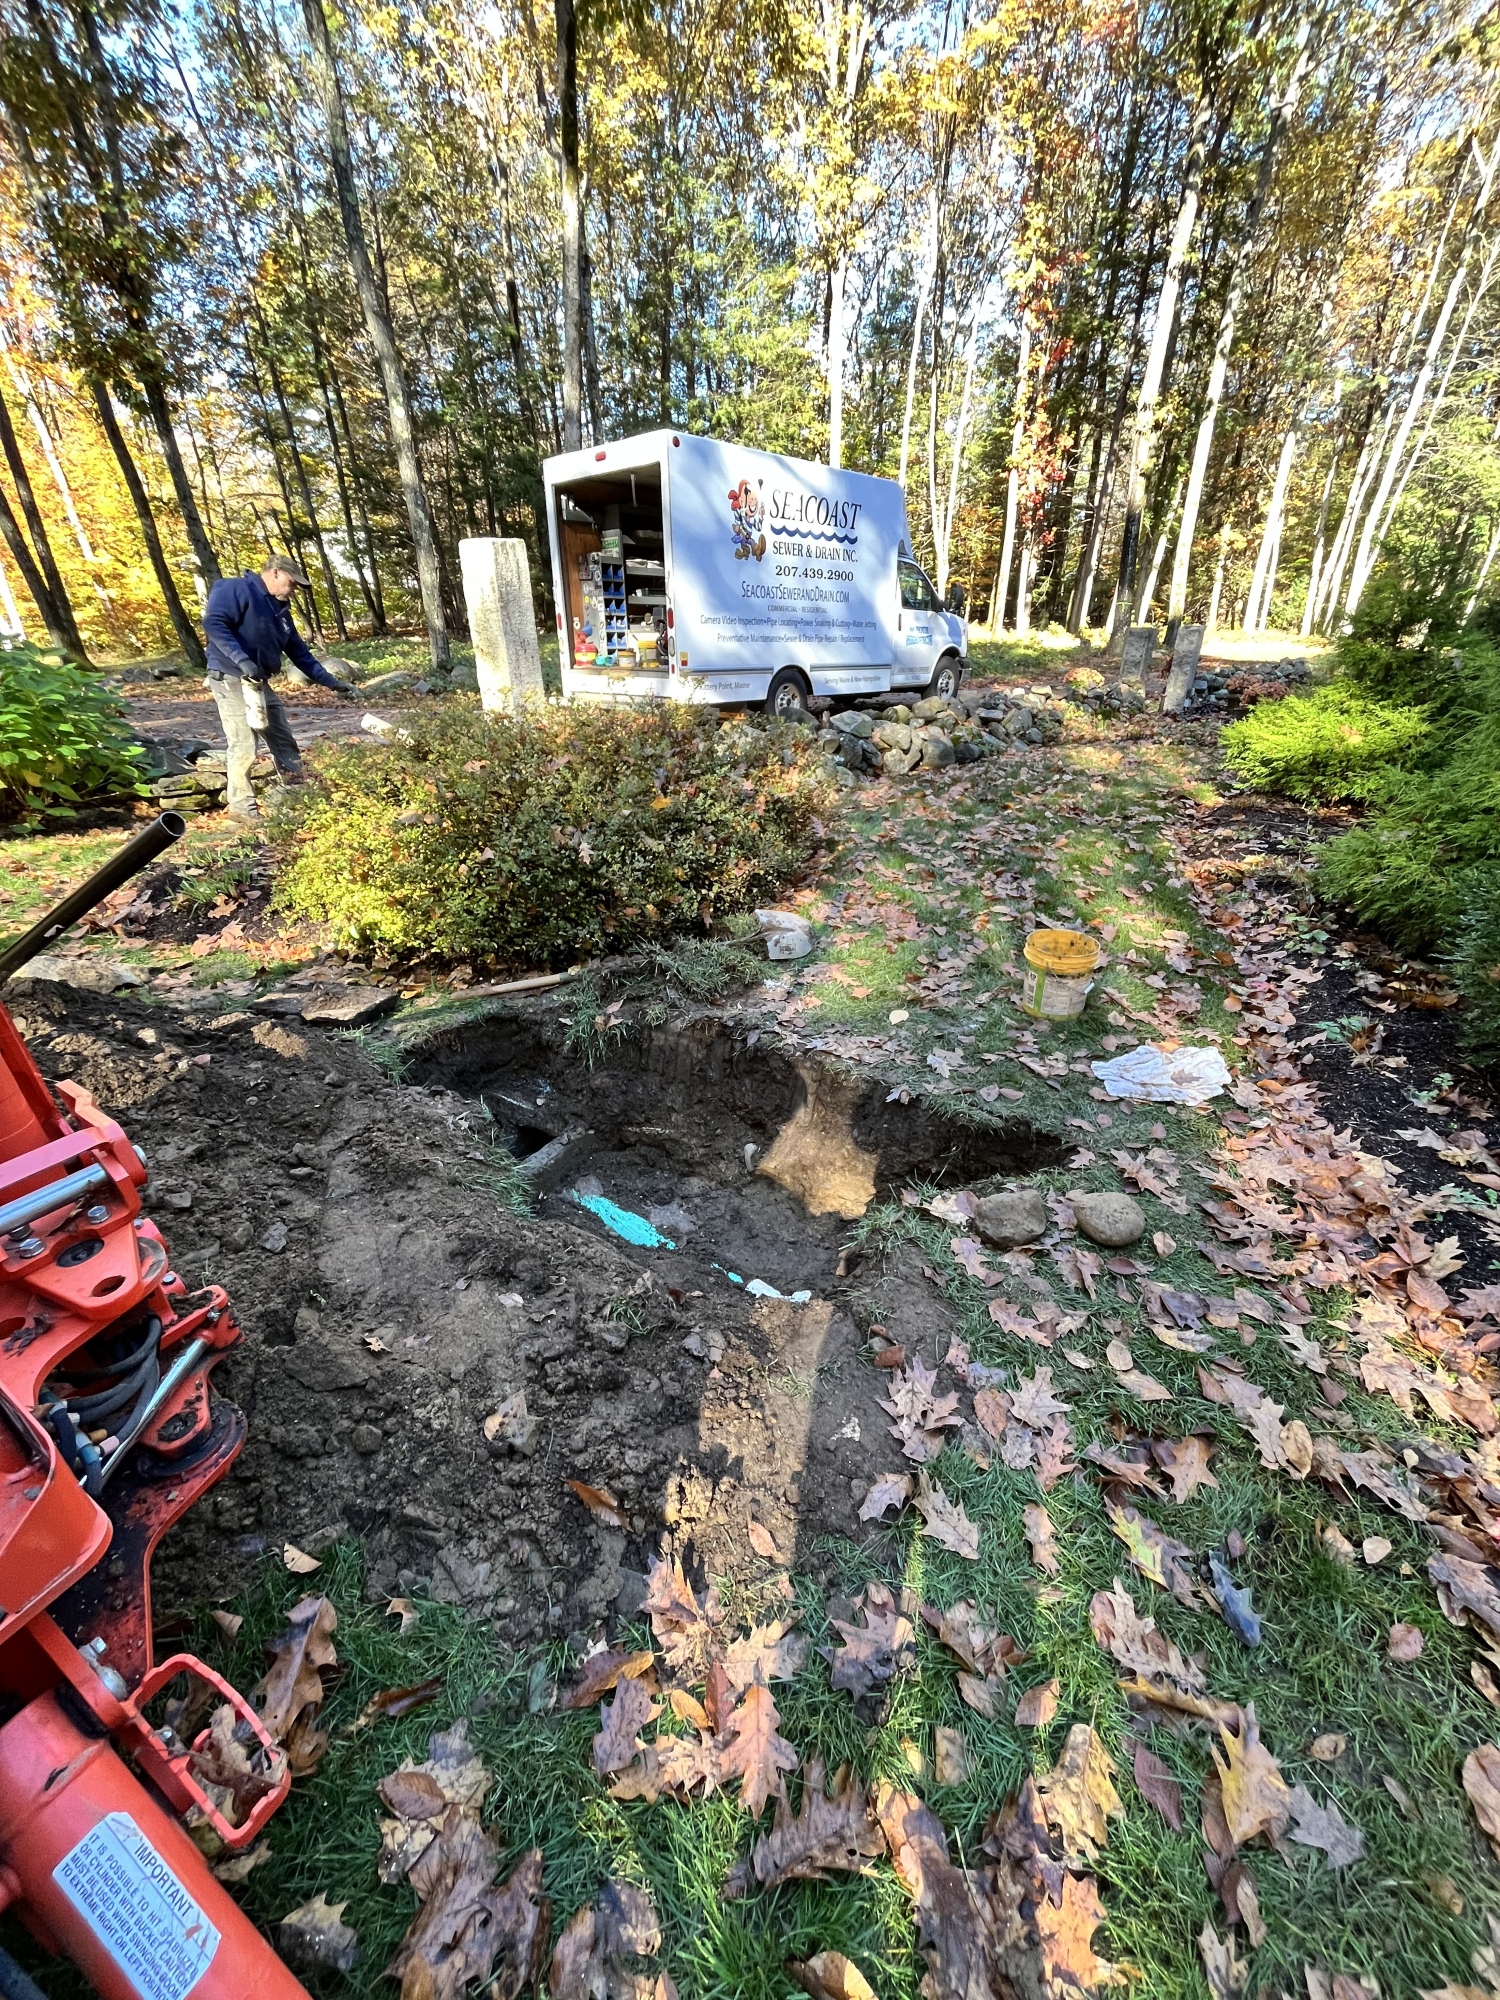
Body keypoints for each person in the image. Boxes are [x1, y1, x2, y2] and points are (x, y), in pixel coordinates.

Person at [203, 556, 358, 819]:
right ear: (275, 572)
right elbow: (213, 623)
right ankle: (242, 809)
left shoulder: (280, 611)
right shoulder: (236, 589)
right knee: (243, 743)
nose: (294, 589)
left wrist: (332, 682)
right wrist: (241, 659)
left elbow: (300, 653)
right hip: (229, 676)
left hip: (257, 681)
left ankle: (298, 794)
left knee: (282, 737)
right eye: (292, 582)